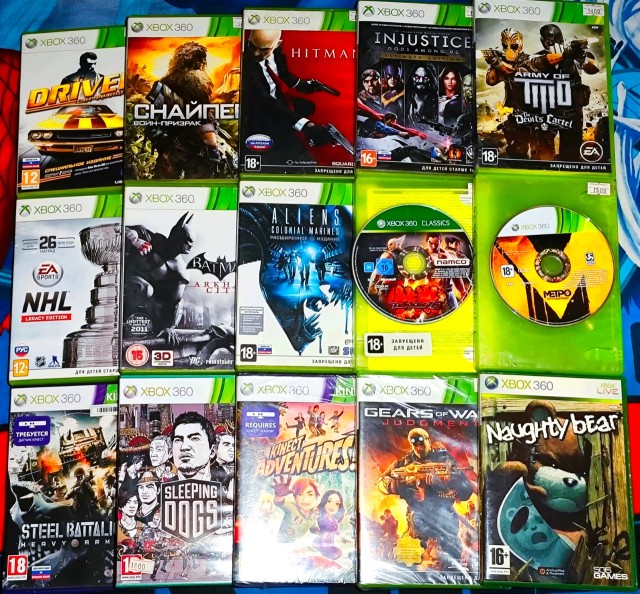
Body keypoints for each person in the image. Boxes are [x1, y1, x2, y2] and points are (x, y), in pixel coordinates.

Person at [379, 428, 473, 568]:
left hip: (444, 517)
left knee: (452, 564)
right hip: (418, 519)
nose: (419, 448)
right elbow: (381, 482)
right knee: (412, 565)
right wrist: (395, 485)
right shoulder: (406, 463)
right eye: (415, 445)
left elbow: (466, 491)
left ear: (429, 441)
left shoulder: (443, 460)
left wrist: (441, 482)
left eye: (422, 444)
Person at [241, 29, 334, 167]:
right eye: (252, 46)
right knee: (298, 160)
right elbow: (262, 99)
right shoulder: (244, 63)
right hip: (260, 118)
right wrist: (304, 124)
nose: (255, 53)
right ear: (249, 40)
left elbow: (283, 74)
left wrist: (302, 84)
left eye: (264, 49)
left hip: (281, 109)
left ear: (277, 44)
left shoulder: (277, 54)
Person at [527, 24, 600, 161]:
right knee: (543, 156)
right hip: (546, 112)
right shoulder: (537, 57)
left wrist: (582, 58)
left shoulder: (575, 55)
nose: (555, 44)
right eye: (550, 42)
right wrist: (564, 55)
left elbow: (594, 68)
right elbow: (536, 64)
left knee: (571, 157)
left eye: (559, 41)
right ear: (543, 41)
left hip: (571, 112)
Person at [482, 28, 537, 159]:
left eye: (513, 46)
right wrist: (495, 63)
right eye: (505, 45)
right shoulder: (504, 62)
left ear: (520, 44)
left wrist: (497, 62)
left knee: (537, 151)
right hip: (515, 111)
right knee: (516, 150)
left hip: (533, 112)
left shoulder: (529, 61)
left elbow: (515, 73)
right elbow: (491, 80)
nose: (509, 49)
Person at [272, 476, 320, 542]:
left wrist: (320, 532)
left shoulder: (314, 512)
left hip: (298, 544)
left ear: (316, 497)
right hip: (283, 543)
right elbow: (279, 502)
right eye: (300, 494)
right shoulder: (292, 507)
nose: (305, 500)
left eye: (310, 494)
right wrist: (279, 495)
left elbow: (313, 528)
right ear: (295, 497)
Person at [171, 411, 216, 481]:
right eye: (178, 440)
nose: (184, 447)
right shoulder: (160, 486)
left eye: (194, 438)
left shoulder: (228, 485)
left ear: (212, 451)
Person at [313, 489, 346, 559]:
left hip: (330, 544)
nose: (332, 506)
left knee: (338, 553)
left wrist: (342, 537)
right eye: (329, 501)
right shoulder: (320, 516)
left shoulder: (334, 519)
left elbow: (336, 530)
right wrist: (319, 532)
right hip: (320, 544)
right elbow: (314, 527)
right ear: (324, 501)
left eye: (337, 503)